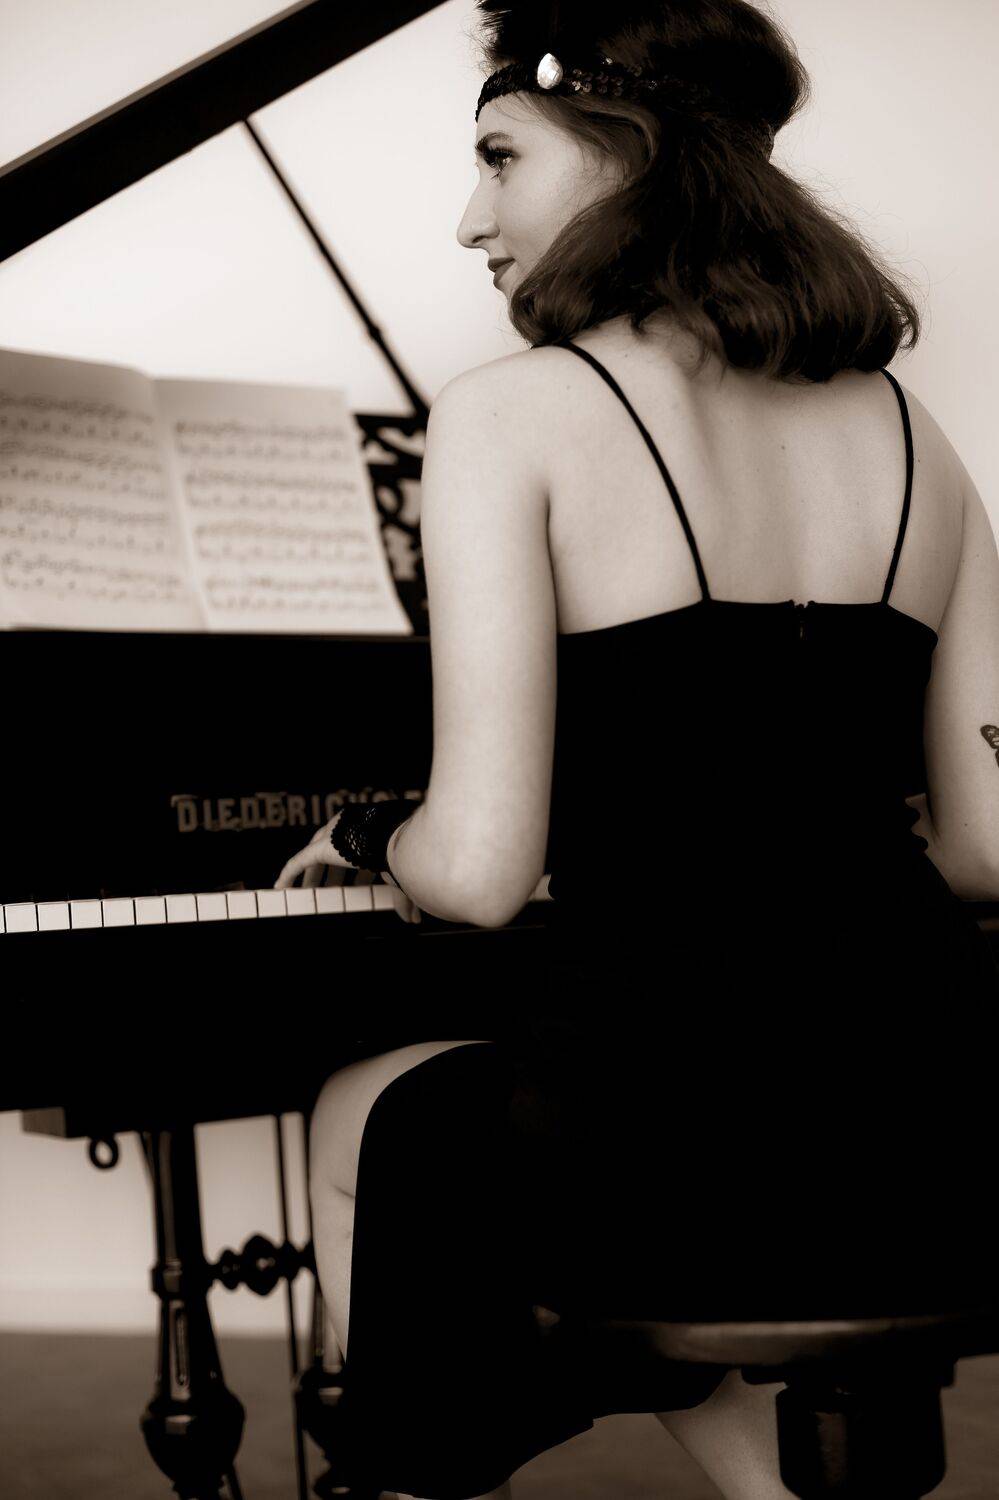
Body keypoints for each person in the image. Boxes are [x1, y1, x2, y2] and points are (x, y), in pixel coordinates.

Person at [274, 2, 999, 1496]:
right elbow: (991, 849)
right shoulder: (919, 439)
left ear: (626, 152)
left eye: (500, 158)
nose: (470, 220)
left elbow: (480, 872)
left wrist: (368, 834)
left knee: (371, 1119)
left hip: (665, 1112)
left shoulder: (513, 417)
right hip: (930, 1102)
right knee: (605, 1155)